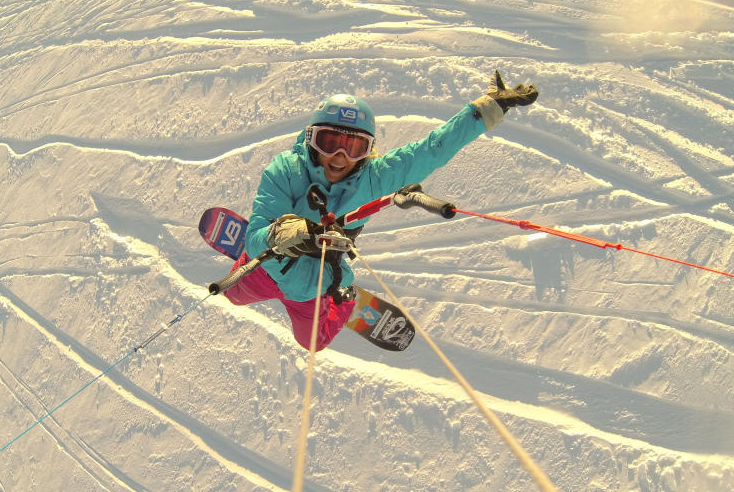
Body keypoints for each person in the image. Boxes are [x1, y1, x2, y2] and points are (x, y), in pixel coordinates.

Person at [224, 71, 538, 351]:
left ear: (368, 151)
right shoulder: (285, 171)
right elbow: (256, 239)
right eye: (329, 141)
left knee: (312, 343)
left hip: (316, 288)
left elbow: (432, 149)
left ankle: (342, 305)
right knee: (231, 294)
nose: (340, 156)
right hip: (266, 270)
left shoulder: (375, 178)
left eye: (355, 147)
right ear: (310, 139)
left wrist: (486, 110)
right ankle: (246, 264)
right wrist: (278, 233)